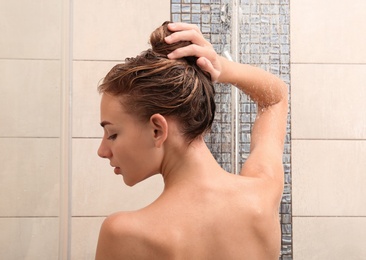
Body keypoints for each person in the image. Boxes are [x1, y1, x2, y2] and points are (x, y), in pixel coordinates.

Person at [95, 21, 288, 260]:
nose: (102, 151)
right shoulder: (262, 194)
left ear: (157, 130)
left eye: (112, 134)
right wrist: (220, 67)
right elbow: (275, 97)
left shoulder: (125, 234)